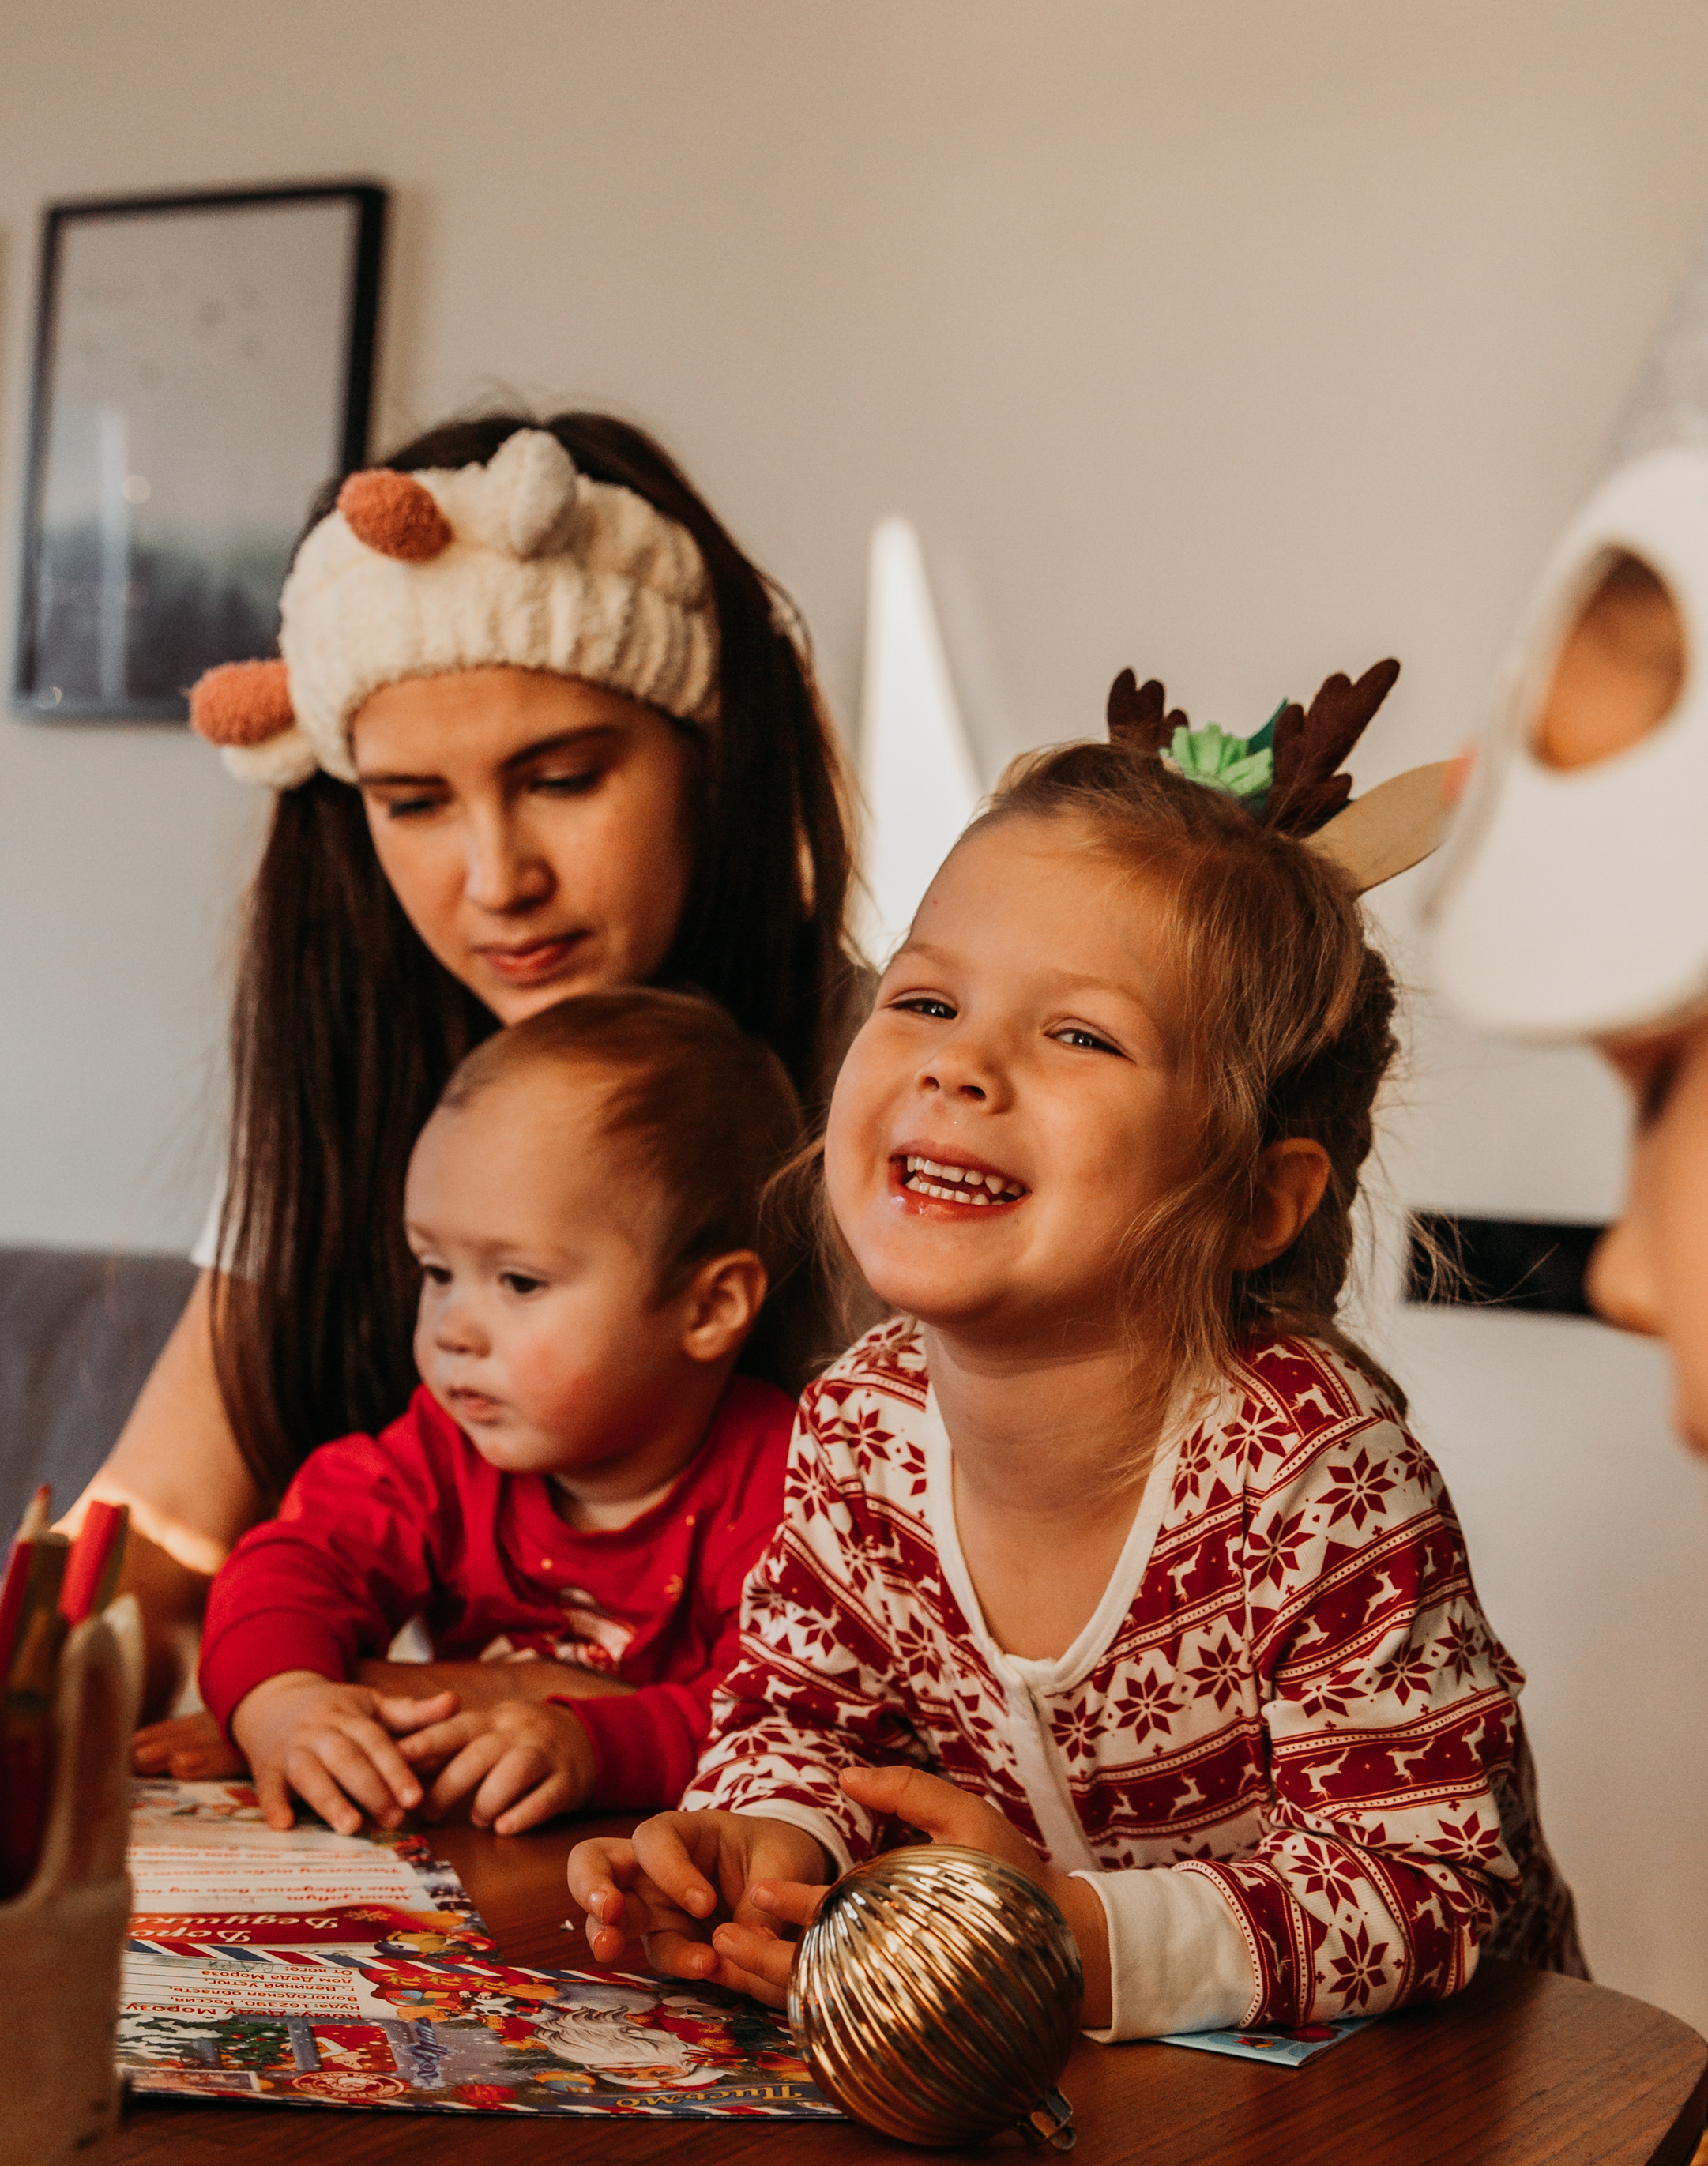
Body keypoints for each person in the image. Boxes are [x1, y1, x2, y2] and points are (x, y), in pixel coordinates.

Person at [949, 356, 1708, 2166]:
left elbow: (1427, 1883)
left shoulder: (1303, 1446)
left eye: (1676, 1079)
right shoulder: (874, 1421)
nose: (1619, 1264)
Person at [572, 674, 1581, 2040]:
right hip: (1088, 2109)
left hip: (1423, 2126)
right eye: (925, 1003)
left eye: (1081, 1035)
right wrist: (769, 1846)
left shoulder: (1309, 1473)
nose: (961, 1068)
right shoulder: (861, 1425)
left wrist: (1070, 1936)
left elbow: (1430, 1879)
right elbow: (805, 1720)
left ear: (1253, 1201)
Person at [84, 412, 852, 1732]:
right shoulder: (368, 1087)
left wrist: (484, 1696)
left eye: (560, 777)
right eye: (414, 803)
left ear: (708, 758)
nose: (497, 883)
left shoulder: (897, 1085)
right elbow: (159, 1537)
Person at [196, 988, 801, 1837]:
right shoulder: (445, 1450)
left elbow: (786, 1722)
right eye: (435, 1271)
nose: (452, 1328)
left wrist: (592, 1744)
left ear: (708, 1309)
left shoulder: (788, 1495)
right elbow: (290, 1563)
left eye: (518, 1281)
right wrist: (284, 1698)